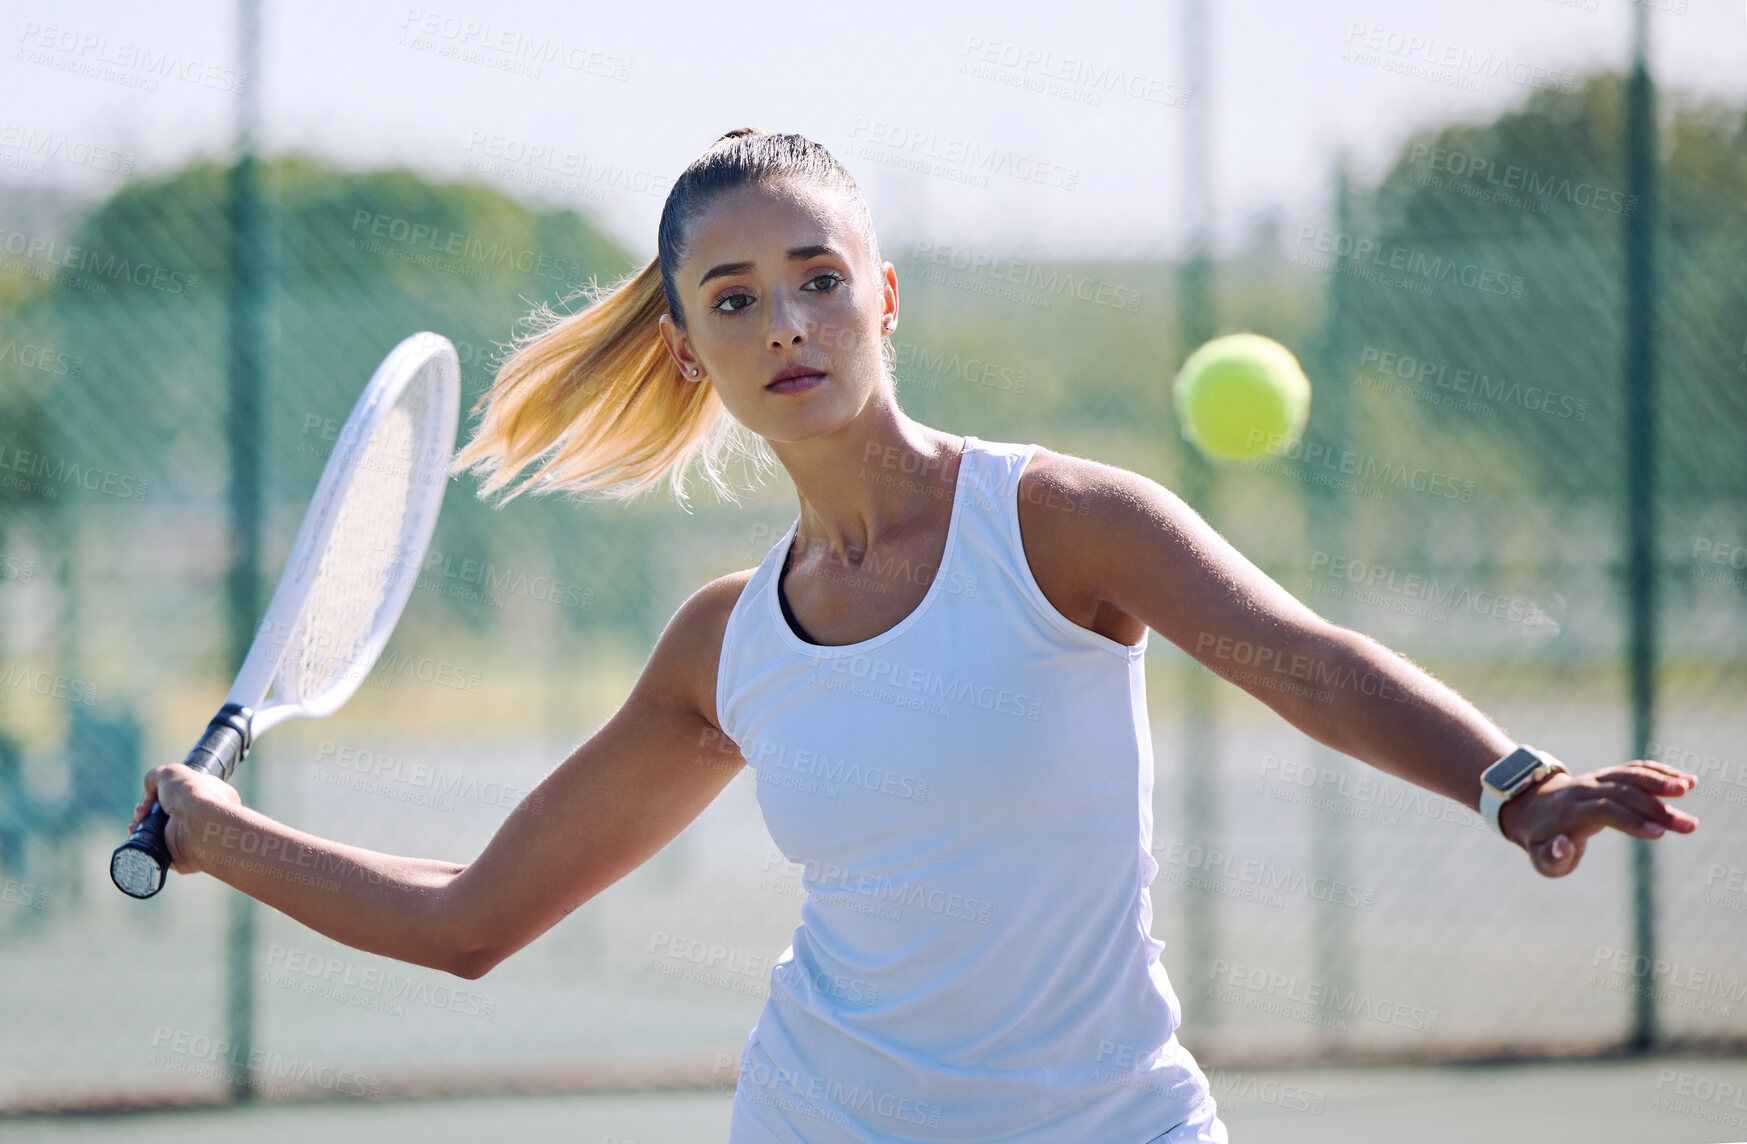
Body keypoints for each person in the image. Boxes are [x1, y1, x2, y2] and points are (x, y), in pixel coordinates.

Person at [132, 128, 1701, 1144]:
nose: (787, 324)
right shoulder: (722, 644)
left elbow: (1300, 659)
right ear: (688, 348)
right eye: (735, 299)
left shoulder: (1062, 524)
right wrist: (225, 840)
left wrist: (1513, 781)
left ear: (885, 296)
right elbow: (475, 917)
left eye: (818, 281)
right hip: (824, 1119)